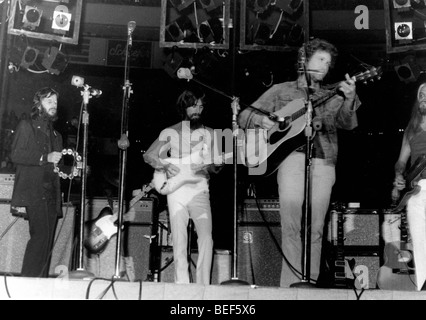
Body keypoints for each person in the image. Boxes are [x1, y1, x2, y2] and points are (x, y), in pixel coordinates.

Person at [238, 38, 362, 287]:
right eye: (320, 60)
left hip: (324, 162)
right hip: (290, 160)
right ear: (304, 60)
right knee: (291, 225)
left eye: (328, 62)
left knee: (316, 228)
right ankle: (289, 286)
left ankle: (310, 285)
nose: (325, 67)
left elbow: (349, 123)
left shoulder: (333, 94)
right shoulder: (281, 90)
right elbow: (245, 115)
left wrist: (349, 98)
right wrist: (261, 121)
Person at [143, 87, 222, 285]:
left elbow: (216, 166)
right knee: (179, 239)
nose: (198, 109)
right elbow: (149, 155)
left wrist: (212, 164)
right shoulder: (170, 132)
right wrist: (164, 165)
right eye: (193, 105)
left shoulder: (211, 133)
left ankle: (204, 286)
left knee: (206, 238)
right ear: (184, 108)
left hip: (200, 189)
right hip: (176, 191)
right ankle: (182, 286)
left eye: (201, 106)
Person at [10, 87, 63, 278]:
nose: (53, 105)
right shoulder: (27, 126)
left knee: (47, 242)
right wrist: (44, 157)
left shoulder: (57, 136)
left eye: (55, 102)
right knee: (40, 238)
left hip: (51, 194)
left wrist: (73, 171)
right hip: (35, 191)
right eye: (49, 101)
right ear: (38, 104)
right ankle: (28, 282)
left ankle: (39, 284)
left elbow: (58, 167)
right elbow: (16, 155)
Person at [391, 82, 426, 291]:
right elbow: (401, 161)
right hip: (415, 190)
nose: (424, 97)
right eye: (421, 94)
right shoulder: (411, 128)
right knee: (420, 241)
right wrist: (398, 174)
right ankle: (422, 288)